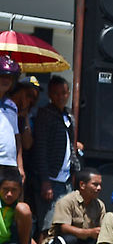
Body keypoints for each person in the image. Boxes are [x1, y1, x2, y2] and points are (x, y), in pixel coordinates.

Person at [32, 75, 77, 233]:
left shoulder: (69, 115)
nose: (60, 97)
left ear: (69, 93)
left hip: (66, 179)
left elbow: (69, 143)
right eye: (56, 93)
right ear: (50, 95)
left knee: (64, 223)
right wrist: (45, 180)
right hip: (50, 178)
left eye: (64, 93)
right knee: (48, 223)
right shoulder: (45, 114)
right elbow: (41, 148)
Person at [0, 167, 68, 244]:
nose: (9, 194)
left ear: (20, 191)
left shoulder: (16, 207)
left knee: (24, 209)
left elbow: (28, 238)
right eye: (5, 190)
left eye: (14, 190)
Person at [42, 167, 106, 244]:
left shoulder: (99, 205)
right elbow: (64, 228)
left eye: (100, 185)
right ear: (82, 185)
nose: (99, 188)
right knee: (70, 239)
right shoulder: (67, 201)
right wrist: (89, 233)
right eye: (95, 184)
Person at [0, 57, 24, 183]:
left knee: (7, 201)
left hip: (10, 163)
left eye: (9, 77)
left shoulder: (12, 106)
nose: (6, 80)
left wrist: (20, 165)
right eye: (2, 75)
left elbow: (17, 137)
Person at [9, 76, 40, 152]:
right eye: (29, 95)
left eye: (35, 98)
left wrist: (24, 116)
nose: (31, 101)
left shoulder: (32, 117)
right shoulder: (7, 111)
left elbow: (27, 144)